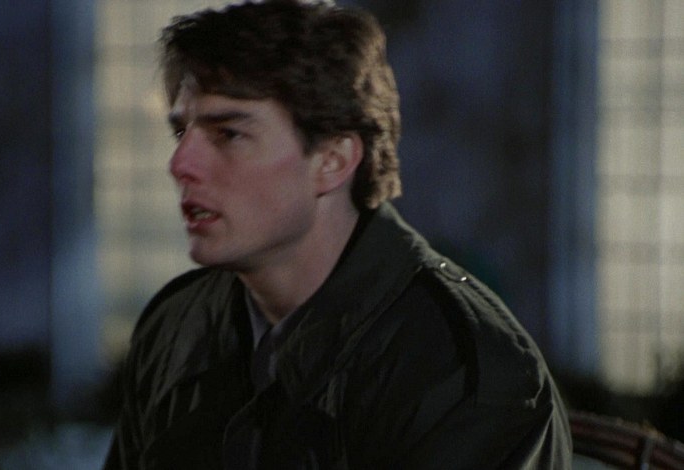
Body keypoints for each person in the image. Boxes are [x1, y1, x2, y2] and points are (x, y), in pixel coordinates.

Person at [104, 0, 572, 468]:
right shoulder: (177, 326)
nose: (180, 164)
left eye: (228, 134)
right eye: (181, 133)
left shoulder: (460, 368)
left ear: (333, 159)